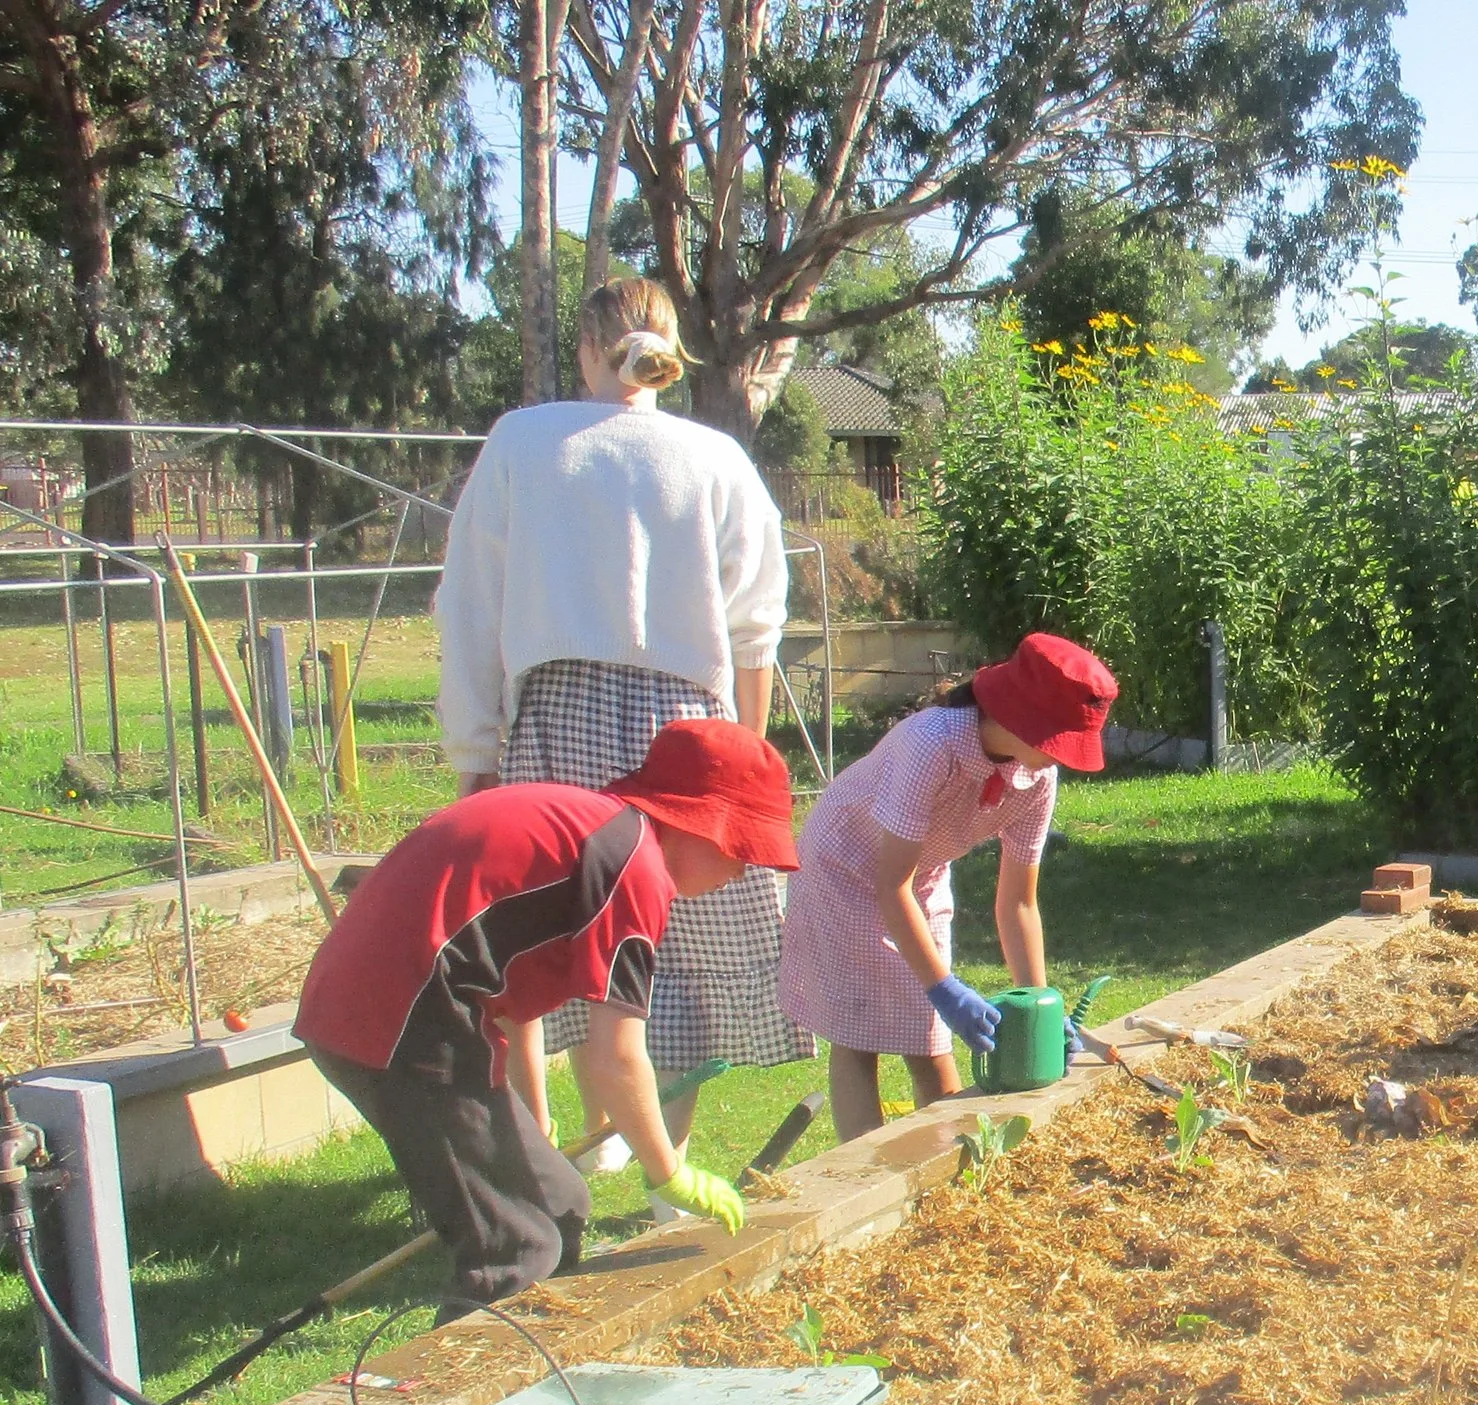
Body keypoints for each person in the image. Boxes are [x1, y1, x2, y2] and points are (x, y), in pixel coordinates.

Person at [432, 274, 807, 1191]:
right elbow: (757, 626)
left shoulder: (522, 442)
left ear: (589, 350)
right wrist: (744, 768)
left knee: (528, 940)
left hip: (555, 727)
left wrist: (475, 757)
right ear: (672, 350)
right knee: (663, 949)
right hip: (683, 734)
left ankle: (541, 1155)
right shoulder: (714, 455)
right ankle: (657, 1163)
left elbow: (469, 612)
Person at [295, 722, 799, 1316]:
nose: (740, 871)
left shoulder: (597, 832)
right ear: (696, 822)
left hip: (394, 1003)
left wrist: (530, 1120)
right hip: (400, 1018)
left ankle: (549, 1359)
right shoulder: (633, 867)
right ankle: (466, 1393)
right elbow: (617, 1058)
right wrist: (671, 1174)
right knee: (516, 1245)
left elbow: (511, 994)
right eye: (740, 849)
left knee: (559, 1202)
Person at [780, 633, 1116, 1143]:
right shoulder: (932, 744)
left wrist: (1040, 998)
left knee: (931, 1038)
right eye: (1059, 741)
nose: (1063, 758)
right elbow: (890, 884)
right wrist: (945, 988)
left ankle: (949, 1164)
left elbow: (1019, 902)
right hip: (840, 870)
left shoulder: (1036, 779)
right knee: (858, 1033)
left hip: (921, 876)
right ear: (1021, 717)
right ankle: (860, 1177)